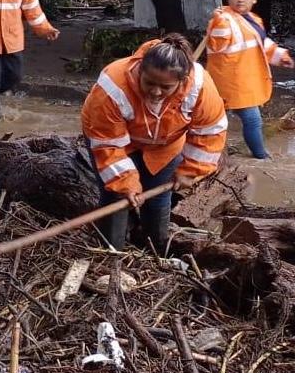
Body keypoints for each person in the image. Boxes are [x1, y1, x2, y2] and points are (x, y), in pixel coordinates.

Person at [81, 35, 228, 251]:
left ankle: (156, 250)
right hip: (114, 142)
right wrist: (126, 184)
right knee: (116, 197)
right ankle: (111, 252)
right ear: (140, 70)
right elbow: (108, 145)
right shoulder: (112, 87)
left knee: (158, 196)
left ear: (182, 80)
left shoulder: (201, 88)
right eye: (149, 83)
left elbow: (210, 132)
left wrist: (192, 170)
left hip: (165, 145)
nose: (156, 92)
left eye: (165, 87)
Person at [206, 0, 295, 159]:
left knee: (215, 120)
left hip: (242, 81)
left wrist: (280, 56)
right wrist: (217, 21)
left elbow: (261, 44)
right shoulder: (223, 19)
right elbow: (216, 45)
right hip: (229, 81)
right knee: (250, 119)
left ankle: (216, 155)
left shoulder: (254, 19)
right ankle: (260, 156)